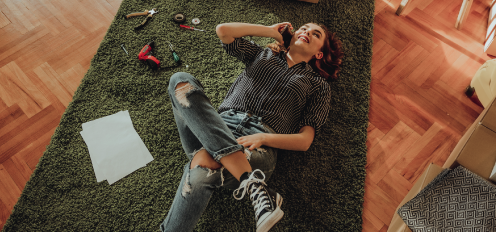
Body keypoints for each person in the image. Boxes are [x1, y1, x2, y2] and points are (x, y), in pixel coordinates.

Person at [160, 22, 344, 232]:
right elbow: (223, 31)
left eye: (316, 34)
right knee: (180, 80)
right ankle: (253, 184)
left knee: (202, 165)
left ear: (320, 54)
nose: (306, 32)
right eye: (303, 28)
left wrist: (264, 139)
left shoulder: (318, 86)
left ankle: (244, 176)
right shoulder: (262, 54)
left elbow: (305, 141)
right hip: (216, 126)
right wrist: (270, 32)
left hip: (259, 145)